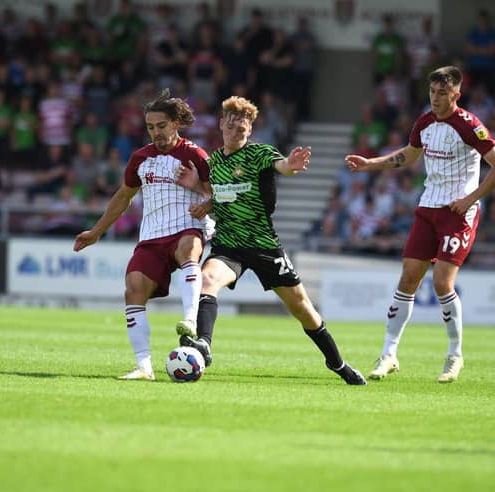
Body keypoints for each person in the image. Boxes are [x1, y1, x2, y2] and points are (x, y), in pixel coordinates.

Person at [177, 95, 367, 385]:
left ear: (250, 131)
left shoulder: (260, 154)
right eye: (231, 126)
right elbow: (224, 195)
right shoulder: (213, 161)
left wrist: (291, 164)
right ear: (221, 125)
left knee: (303, 309)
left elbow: (282, 167)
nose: (236, 131)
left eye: (242, 128)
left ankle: (338, 364)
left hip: (264, 245)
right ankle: (204, 344)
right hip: (229, 246)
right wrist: (206, 200)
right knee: (206, 280)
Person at [345, 66, 495, 383]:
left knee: (442, 282)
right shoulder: (425, 122)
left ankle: (454, 355)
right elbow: (410, 156)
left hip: (458, 212)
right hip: (428, 208)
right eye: (432, 92)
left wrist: (471, 199)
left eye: (443, 93)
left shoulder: (469, 126)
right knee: (408, 279)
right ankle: (388, 353)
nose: (436, 98)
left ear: (456, 94)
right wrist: (371, 163)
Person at [73, 89, 212, 381]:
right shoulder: (140, 158)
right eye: (150, 127)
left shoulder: (195, 155)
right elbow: (124, 197)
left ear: (175, 123)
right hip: (152, 235)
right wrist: (97, 232)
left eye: (161, 125)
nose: (156, 132)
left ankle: (189, 320)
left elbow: (217, 194)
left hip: (187, 226)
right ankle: (144, 367)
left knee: (189, 251)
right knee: (133, 288)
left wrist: (200, 189)